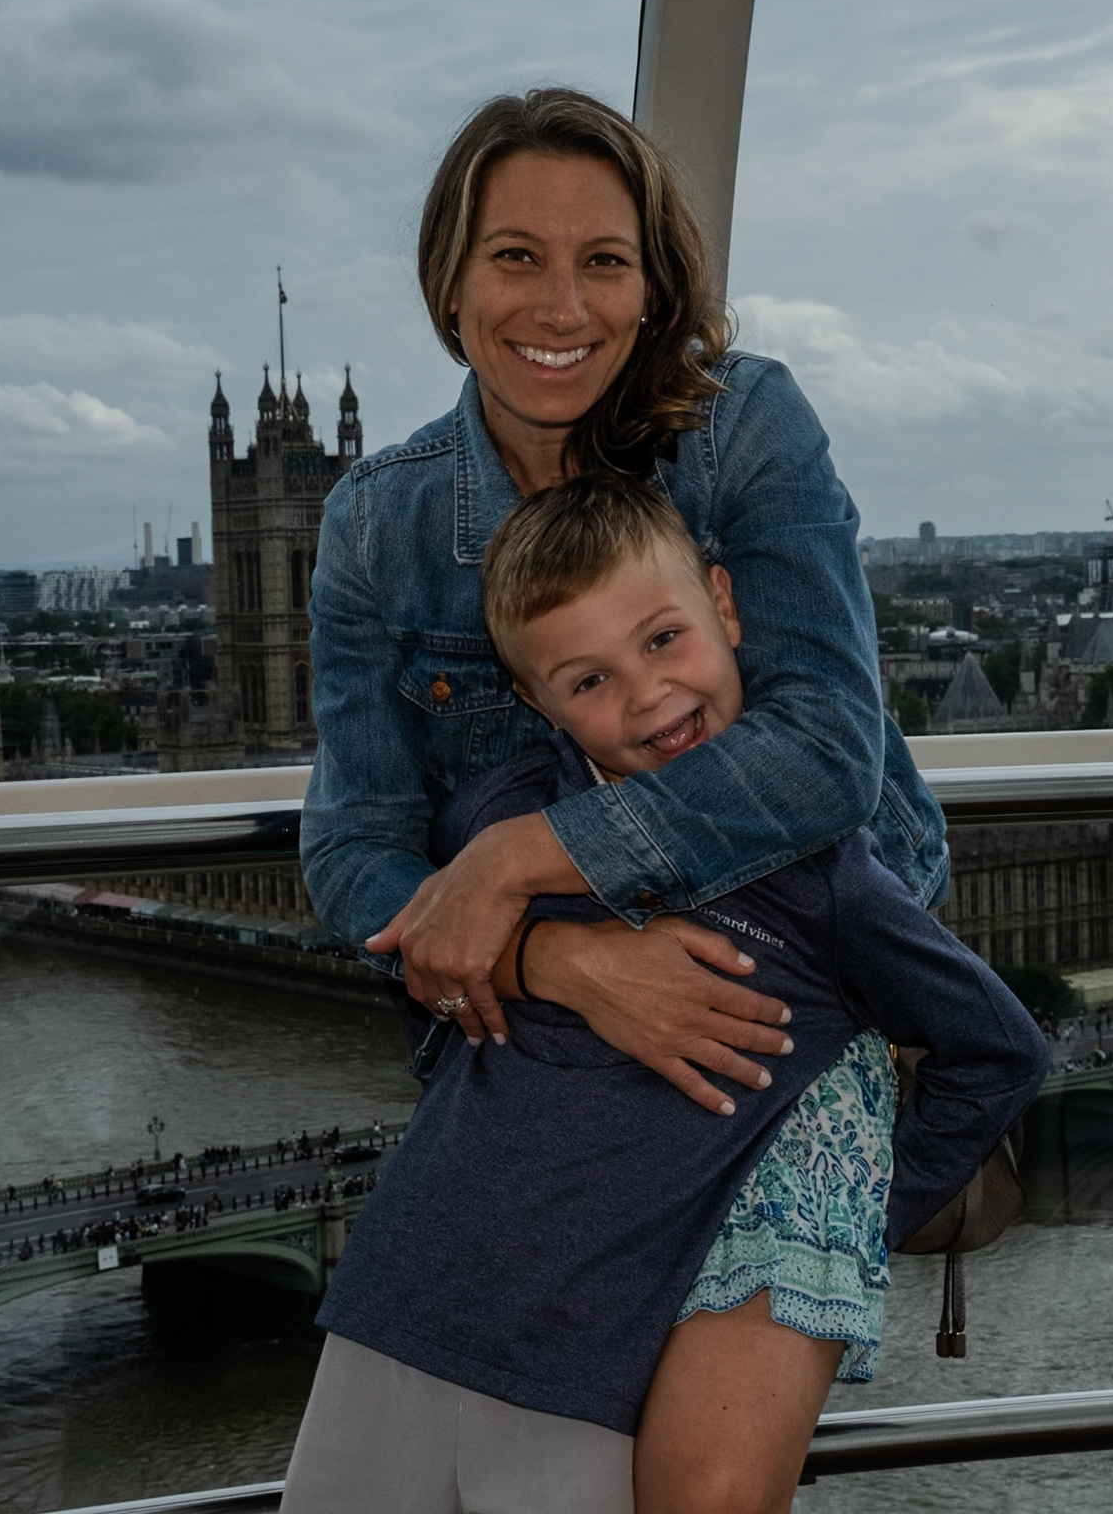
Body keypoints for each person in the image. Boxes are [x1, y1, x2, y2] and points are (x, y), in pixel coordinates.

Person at [282, 476, 1048, 1512]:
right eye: (587, 680)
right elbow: (420, 955)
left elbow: (997, 1048)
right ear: (537, 703)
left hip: (586, 1347)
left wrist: (875, 1203)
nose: (645, 696)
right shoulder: (497, 820)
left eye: (662, 641)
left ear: (727, 608)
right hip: (403, 1289)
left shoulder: (815, 865)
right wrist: (542, 961)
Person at [300, 86, 945, 1119]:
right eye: (516, 256)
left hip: (811, 988)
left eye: (604, 260)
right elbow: (353, 847)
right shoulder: (379, 525)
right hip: (549, 1032)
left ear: (651, 286)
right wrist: (562, 961)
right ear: (450, 284)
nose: (563, 309)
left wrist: (517, 857)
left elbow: (827, 750)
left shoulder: (744, 428)